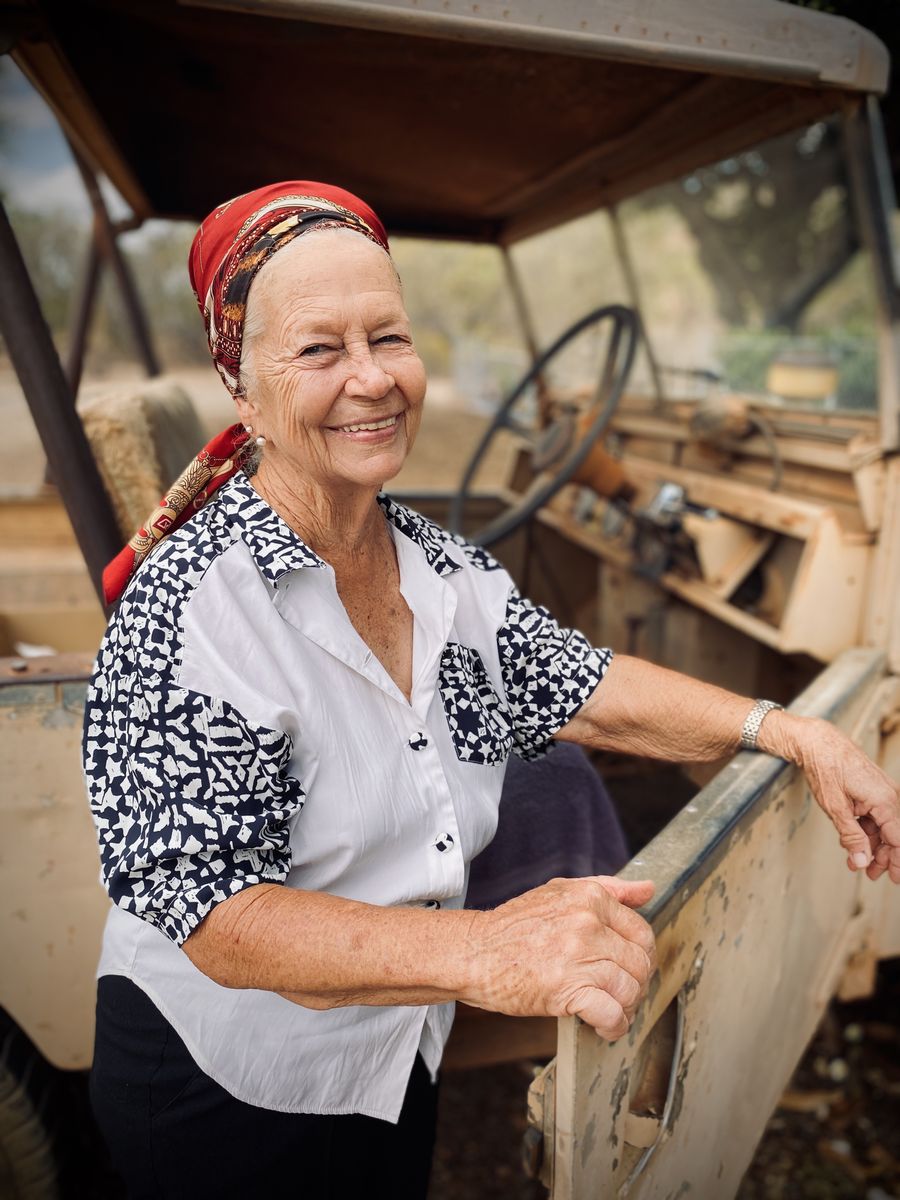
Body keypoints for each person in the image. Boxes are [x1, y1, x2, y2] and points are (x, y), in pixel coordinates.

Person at [83, 181, 900, 1200]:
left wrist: (789, 730)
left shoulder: (432, 562)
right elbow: (211, 912)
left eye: (390, 337)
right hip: (227, 1086)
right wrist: (486, 951)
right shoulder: (191, 606)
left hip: (391, 1048)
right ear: (243, 391)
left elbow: (583, 684)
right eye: (321, 350)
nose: (373, 380)